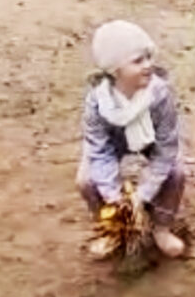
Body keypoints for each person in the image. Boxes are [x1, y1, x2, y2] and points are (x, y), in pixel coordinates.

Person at [77, 20, 186, 258]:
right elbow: (99, 151)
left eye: (148, 57)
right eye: (138, 61)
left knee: (176, 171)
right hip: (112, 142)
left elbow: (166, 148)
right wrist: (116, 199)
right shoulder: (97, 102)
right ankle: (110, 228)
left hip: (151, 139)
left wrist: (142, 194)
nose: (148, 65)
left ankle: (161, 227)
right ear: (115, 70)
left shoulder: (159, 94)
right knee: (86, 180)